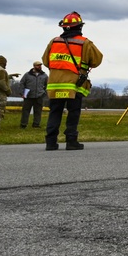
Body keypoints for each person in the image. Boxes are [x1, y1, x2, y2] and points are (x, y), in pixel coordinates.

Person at [43, 11, 103, 151]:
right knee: (73, 112)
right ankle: (71, 141)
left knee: (55, 112)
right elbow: (97, 60)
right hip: (73, 85)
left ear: (63, 27)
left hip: (55, 84)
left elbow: (46, 61)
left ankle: (50, 143)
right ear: (80, 27)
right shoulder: (85, 43)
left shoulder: (54, 42)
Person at [19, 61, 48, 129]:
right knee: (25, 111)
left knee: (38, 111)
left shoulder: (44, 75)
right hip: (28, 96)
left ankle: (36, 124)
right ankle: (23, 124)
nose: (39, 67)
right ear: (34, 66)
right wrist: (22, 93)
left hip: (39, 96)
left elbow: (47, 85)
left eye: (40, 65)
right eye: (38, 65)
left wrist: (44, 93)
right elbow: (22, 83)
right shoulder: (27, 75)